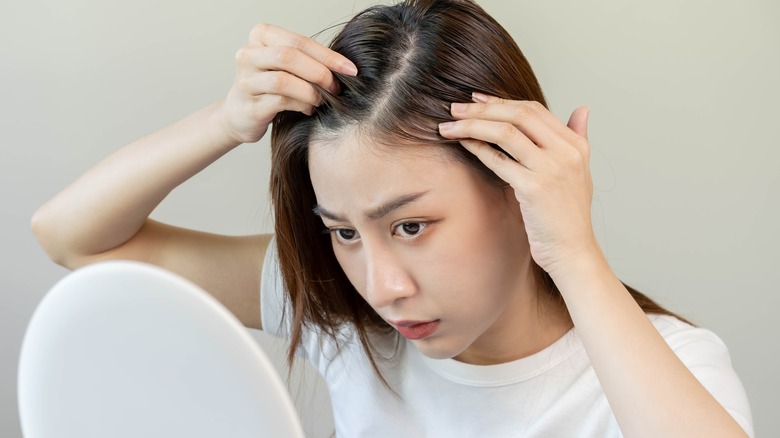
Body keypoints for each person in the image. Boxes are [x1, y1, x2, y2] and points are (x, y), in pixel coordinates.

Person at [32, 0, 752, 436]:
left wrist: (575, 251)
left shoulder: (669, 366)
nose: (382, 284)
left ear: (516, 186)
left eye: (410, 225)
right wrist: (225, 122)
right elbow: (72, 239)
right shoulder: (342, 317)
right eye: (344, 231)